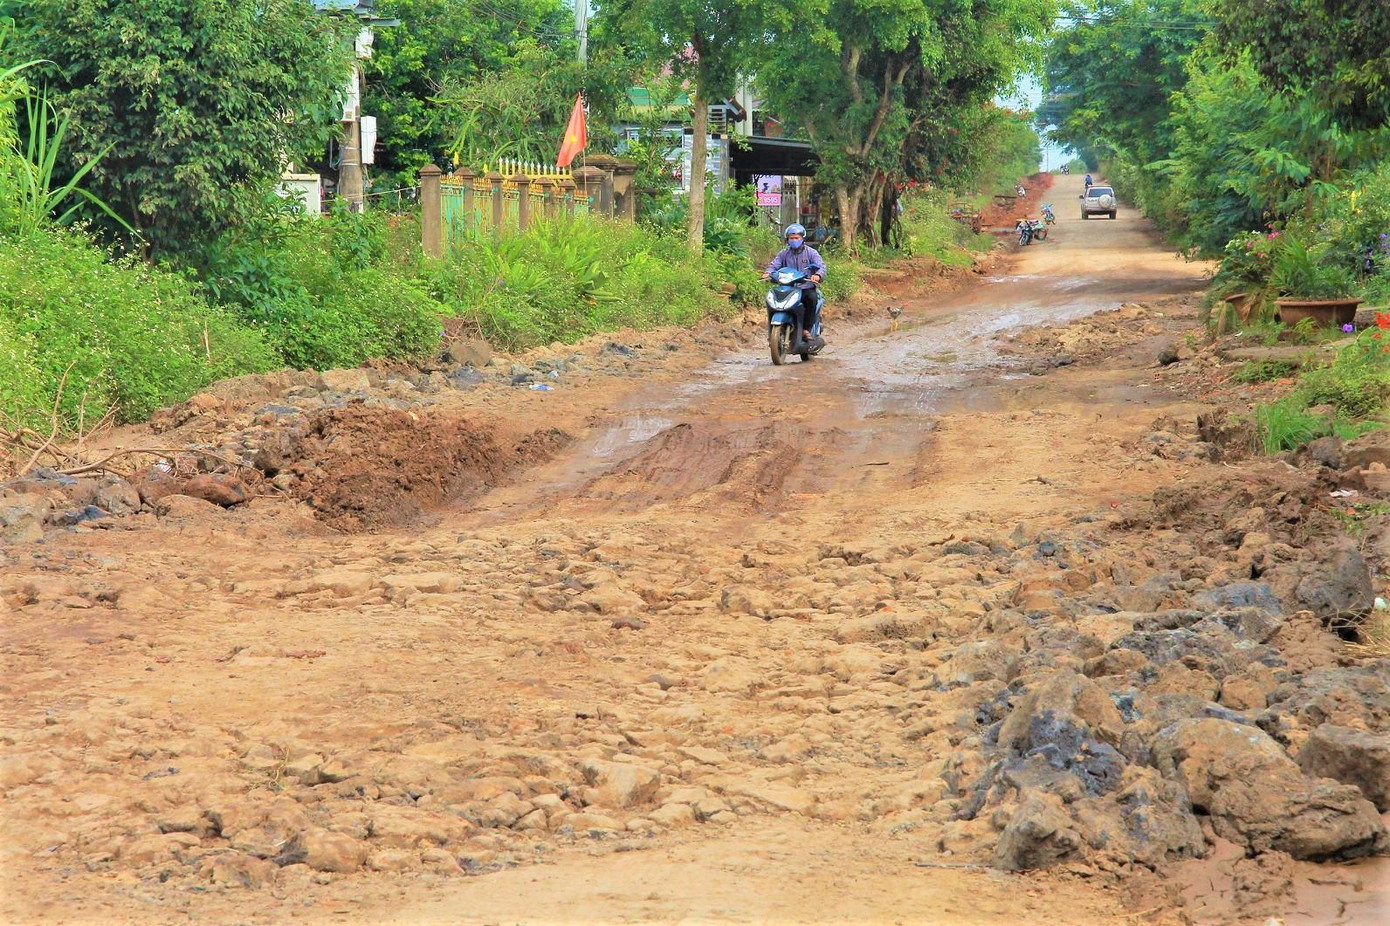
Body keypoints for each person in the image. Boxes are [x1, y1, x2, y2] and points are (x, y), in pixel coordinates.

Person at [763, 223, 826, 347]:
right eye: (791, 238)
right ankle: (773, 330)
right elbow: (774, 265)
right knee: (771, 300)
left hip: (805, 287)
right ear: (787, 239)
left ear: (802, 239)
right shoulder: (784, 253)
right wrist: (768, 273)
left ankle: (806, 329)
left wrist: (817, 275)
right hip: (788, 287)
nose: (794, 240)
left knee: (811, 299)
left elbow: (821, 266)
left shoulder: (811, 252)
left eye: (797, 238)